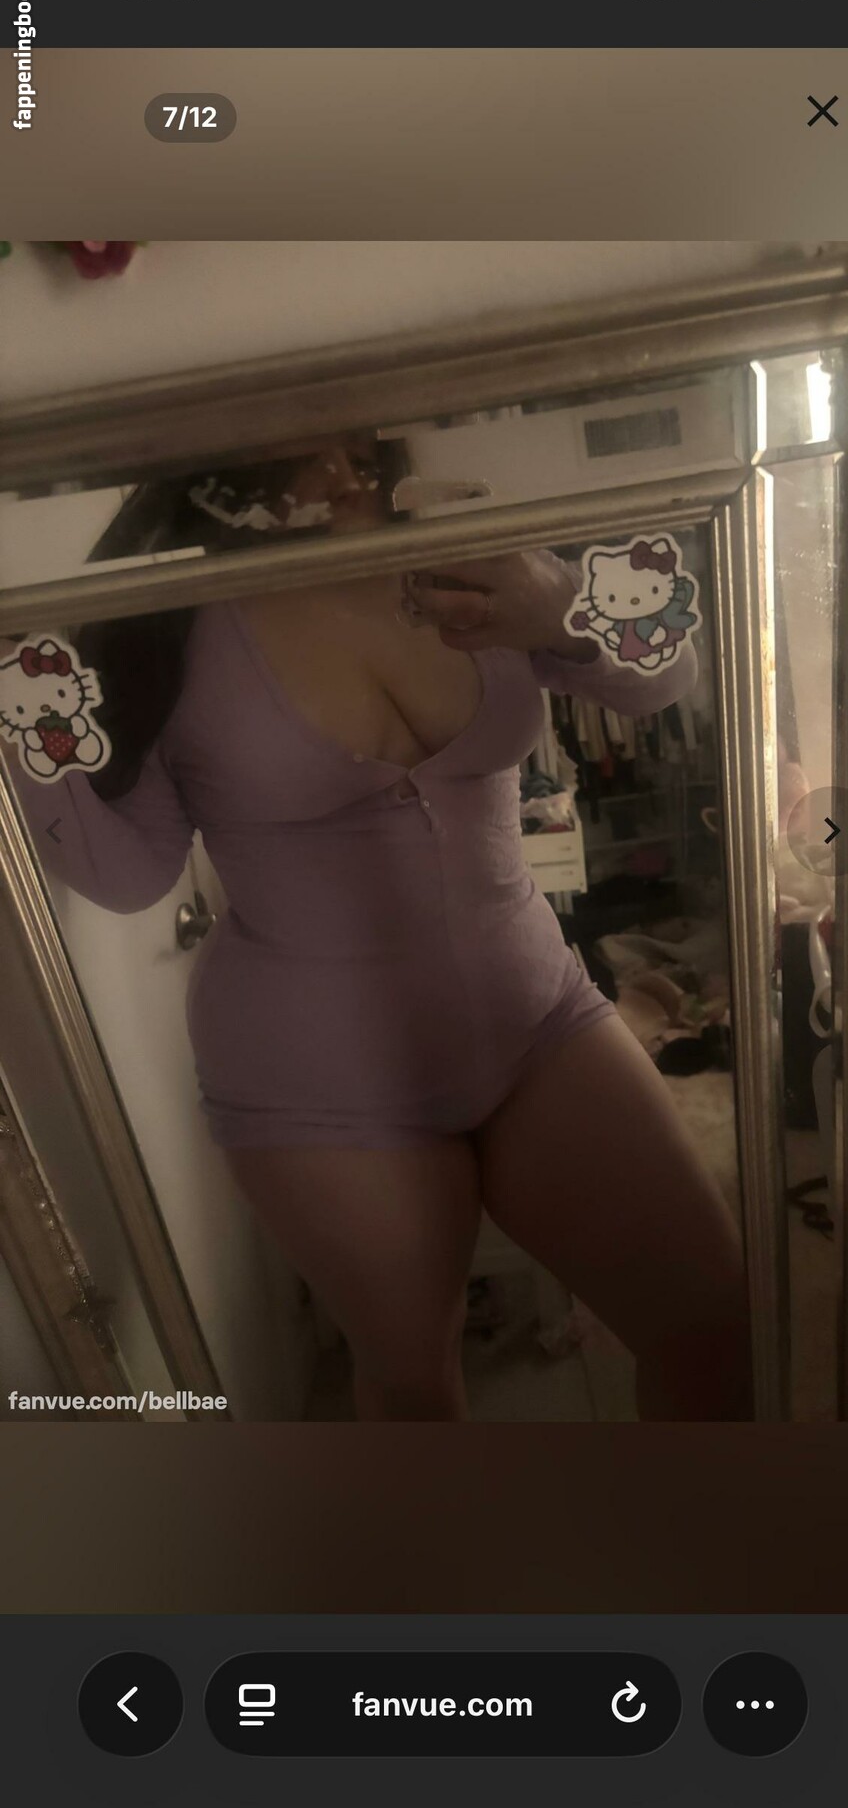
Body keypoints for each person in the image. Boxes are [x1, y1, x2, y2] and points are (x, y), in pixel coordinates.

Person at [0, 435, 752, 1421]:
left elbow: (664, 680)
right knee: (413, 1394)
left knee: (714, 1323)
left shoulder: (462, 553)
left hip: (536, 1021)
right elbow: (129, 874)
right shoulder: (167, 621)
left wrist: (565, 607)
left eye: (359, 442)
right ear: (226, 469)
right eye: (305, 451)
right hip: (318, 1085)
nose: (345, 473)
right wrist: (23, 719)